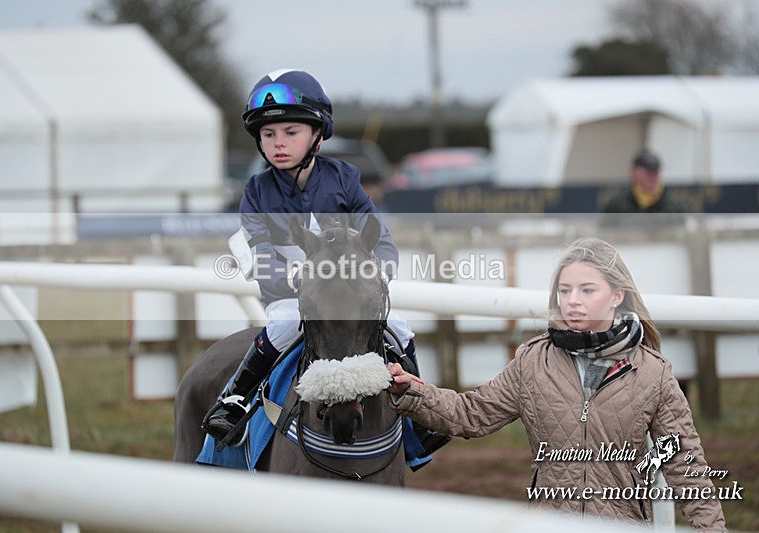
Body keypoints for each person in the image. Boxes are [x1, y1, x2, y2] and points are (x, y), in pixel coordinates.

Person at [387, 238, 725, 529]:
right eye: (565, 290)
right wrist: (412, 391)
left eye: (587, 290)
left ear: (616, 296)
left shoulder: (655, 373)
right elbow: (471, 414)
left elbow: (687, 468)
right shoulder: (532, 362)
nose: (572, 300)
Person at [201, 69, 450, 461]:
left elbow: (380, 240)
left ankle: (418, 418)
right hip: (292, 294)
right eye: (268, 135)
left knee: (399, 329)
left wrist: (372, 278)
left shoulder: (345, 179)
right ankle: (234, 399)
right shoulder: (256, 192)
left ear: (317, 134)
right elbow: (260, 253)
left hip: (350, 290)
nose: (278, 143)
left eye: (290, 132)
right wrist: (301, 286)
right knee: (283, 324)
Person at [602, 148, 684, 220]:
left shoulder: (673, 206)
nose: (652, 177)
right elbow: (605, 233)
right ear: (633, 174)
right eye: (647, 173)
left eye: (655, 172)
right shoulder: (617, 205)